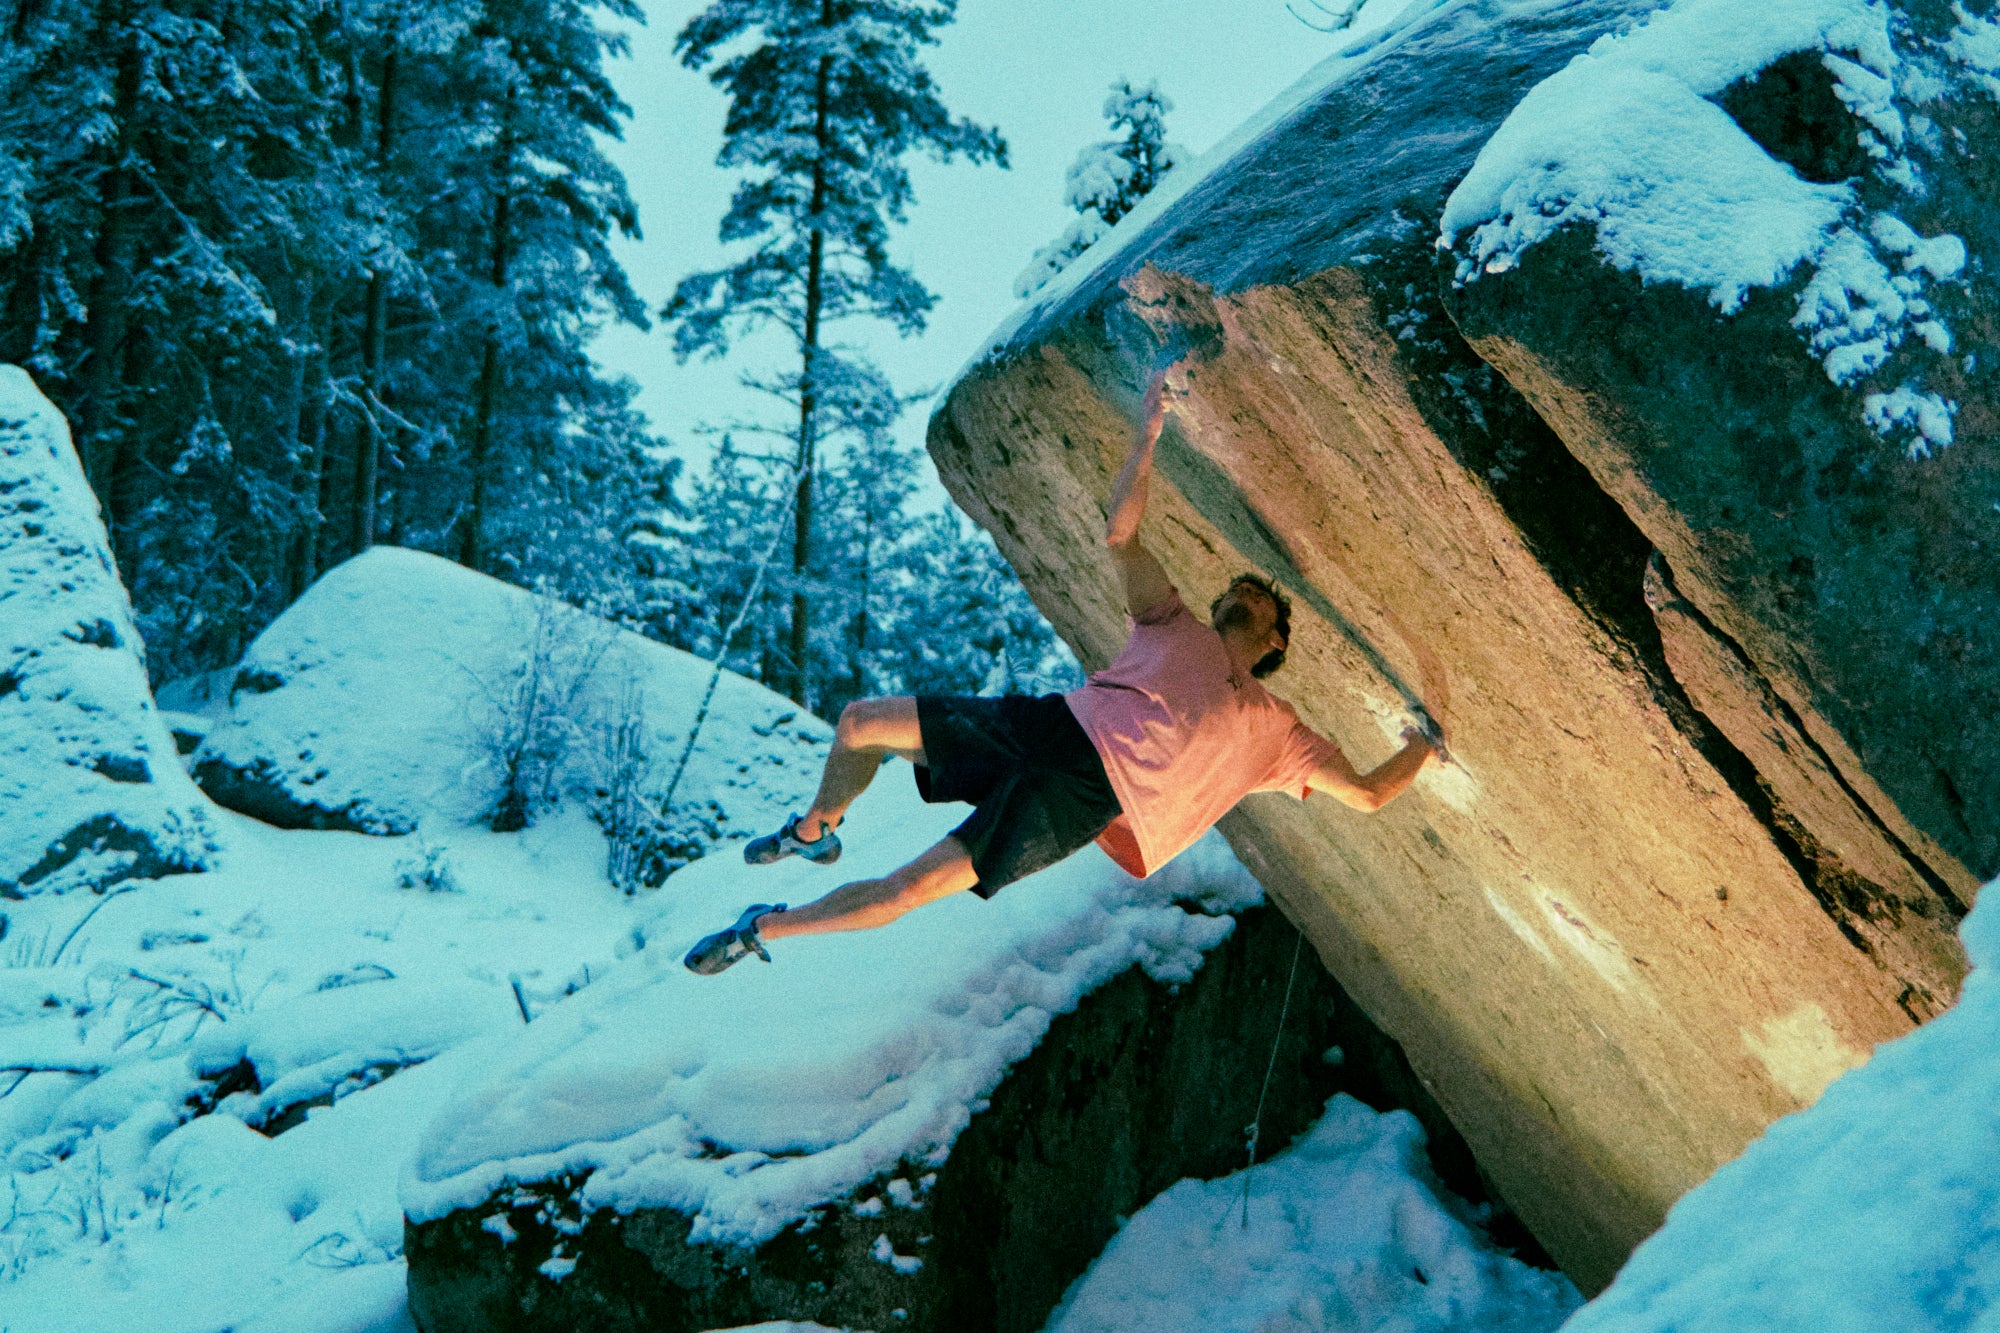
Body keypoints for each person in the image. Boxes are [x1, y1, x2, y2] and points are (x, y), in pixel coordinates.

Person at [684, 365, 1444, 975]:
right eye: (1239, 586)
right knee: (860, 722)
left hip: (1085, 797)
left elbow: (1372, 793)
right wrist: (1149, 430)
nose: (1245, 591)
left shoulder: (1278, 733)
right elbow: (1121, 534)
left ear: (1274, 642)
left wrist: (1426, 740)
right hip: (1050, 722)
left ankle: (765, 929)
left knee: (911, 887)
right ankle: (815, 829)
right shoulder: (1173, 621)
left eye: (1262, 601)